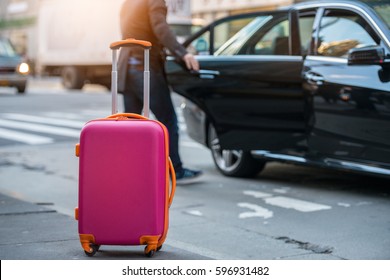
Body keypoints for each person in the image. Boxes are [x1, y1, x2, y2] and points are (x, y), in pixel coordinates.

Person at [118, 0, 202, 184]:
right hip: (144, 65)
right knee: (168, 121)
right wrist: (182, 53)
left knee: (131, 124)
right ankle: (175, 170)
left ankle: (129, 169)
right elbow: (160, 27)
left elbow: (127, 28)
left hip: (126, 65)